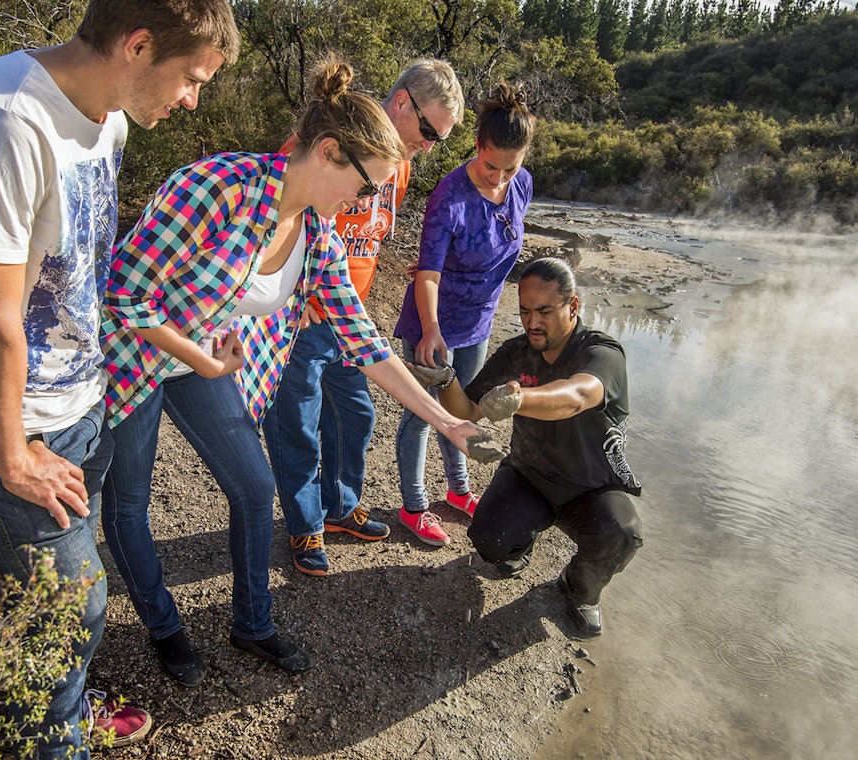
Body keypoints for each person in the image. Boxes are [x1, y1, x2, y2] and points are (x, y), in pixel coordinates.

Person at [100, 54, 490, 687]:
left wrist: (446, 420)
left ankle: (252, 623)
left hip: (205, 357)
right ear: (329, 153)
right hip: (136, 355)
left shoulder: (317, 231)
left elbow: (362, 341)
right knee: (129, 506)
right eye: (366, 187)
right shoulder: (216, 187)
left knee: (255, 490)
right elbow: (122, 294)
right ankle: (165, 627)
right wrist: (201, 359)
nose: (367, 203)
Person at [0, 1, 239, 756]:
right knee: (77, 605)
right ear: (137, 44)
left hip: (79, 407)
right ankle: (54, 740)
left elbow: (79, 266)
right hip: (4, 427)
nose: (192, 100)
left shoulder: (110, 119)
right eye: (191, 79)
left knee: (54, 600)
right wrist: (14, 454)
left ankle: (47, 702)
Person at [263, 60, 465, 577]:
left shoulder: (399, 165)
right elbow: (273, 227)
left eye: (438, 139)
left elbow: (368, 243)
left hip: (348, 314)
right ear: (402, 102)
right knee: (300, 426)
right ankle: (304, 524)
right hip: (304, 319)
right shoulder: (325, 144)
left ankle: (339, 507)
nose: (428, 144)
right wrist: (295, 293)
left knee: (357, 415)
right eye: (427, 130)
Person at [408, 257, 644, 639]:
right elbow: (467, 409)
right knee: (489, 540)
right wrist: (447, 379)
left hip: (590, 487)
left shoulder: (602, 353)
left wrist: (520, 399)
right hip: (530, 476)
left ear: (574, 306)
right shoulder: (516, 353)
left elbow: (576, 395)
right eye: (525, 310)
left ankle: (578, 588)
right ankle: (520, 547)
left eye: (545, 311)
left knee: (621, 534)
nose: (533, 322)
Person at [392, 82, 536, 546]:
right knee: (423, 415)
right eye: (490, 165)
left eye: (509, 169)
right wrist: (431, 329)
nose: (498, 178)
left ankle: (458, 492)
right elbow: (428, 272)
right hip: (432, 324)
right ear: (478, 146)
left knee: (464, 407)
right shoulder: (449, 196)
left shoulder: (523, 185)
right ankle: (413, 505)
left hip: (477, 324)